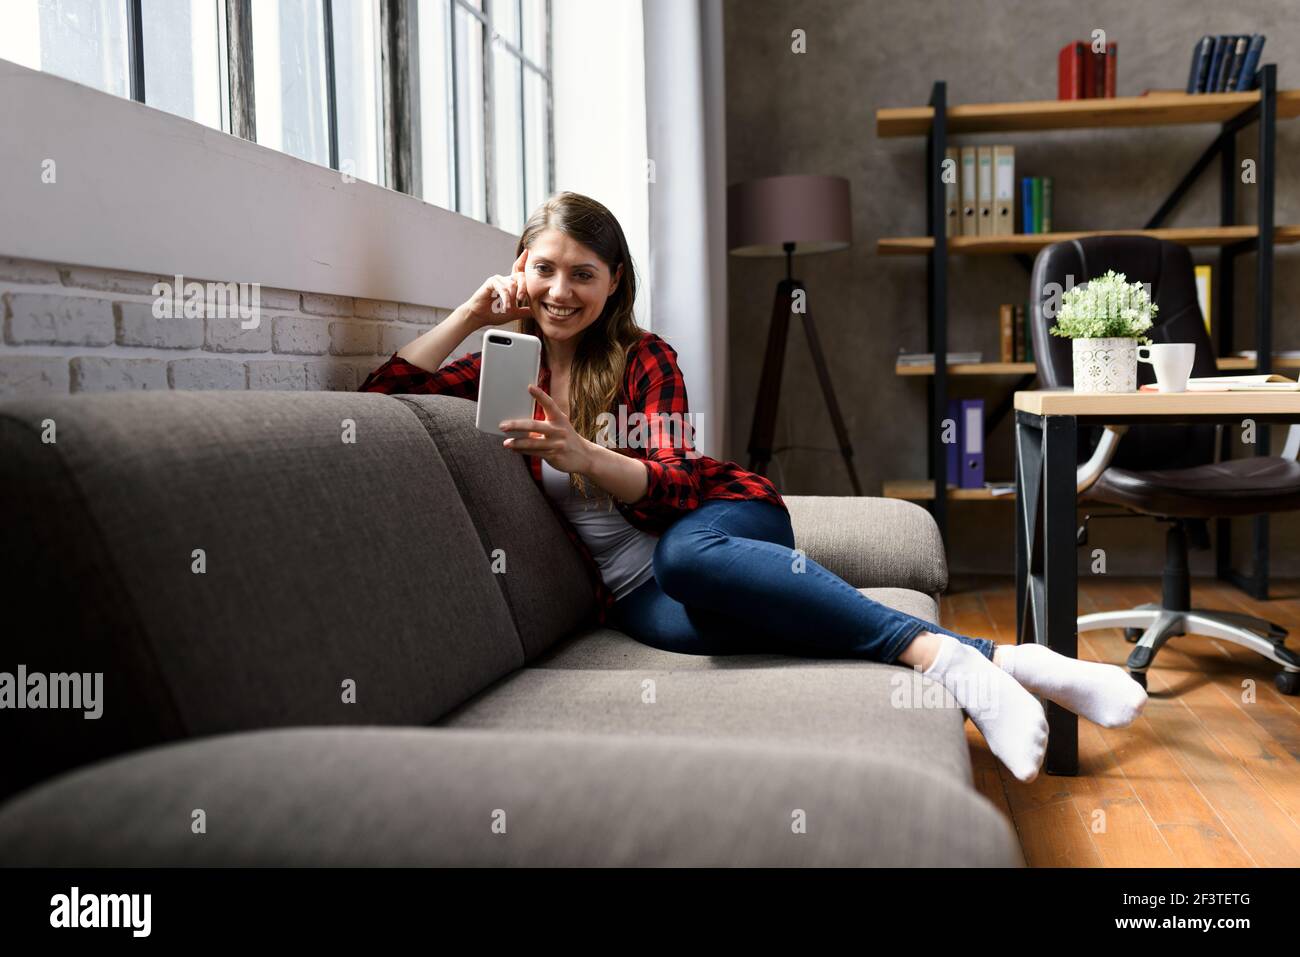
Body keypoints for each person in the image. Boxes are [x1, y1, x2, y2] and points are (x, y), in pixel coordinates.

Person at [359, 191, 1147, 783]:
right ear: (521, 269)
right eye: (545, 269)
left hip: (722, 522)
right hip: (640, 600)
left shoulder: (645, 358)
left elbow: (669, 485)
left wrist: (581, 452)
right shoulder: (505, 369)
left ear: (613, 281)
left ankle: (954, 666)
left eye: (583, 274)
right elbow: (379, 396)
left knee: (685, 558)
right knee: (735, 611)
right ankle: (1007, 663)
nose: (562, 290)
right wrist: (468, 313)